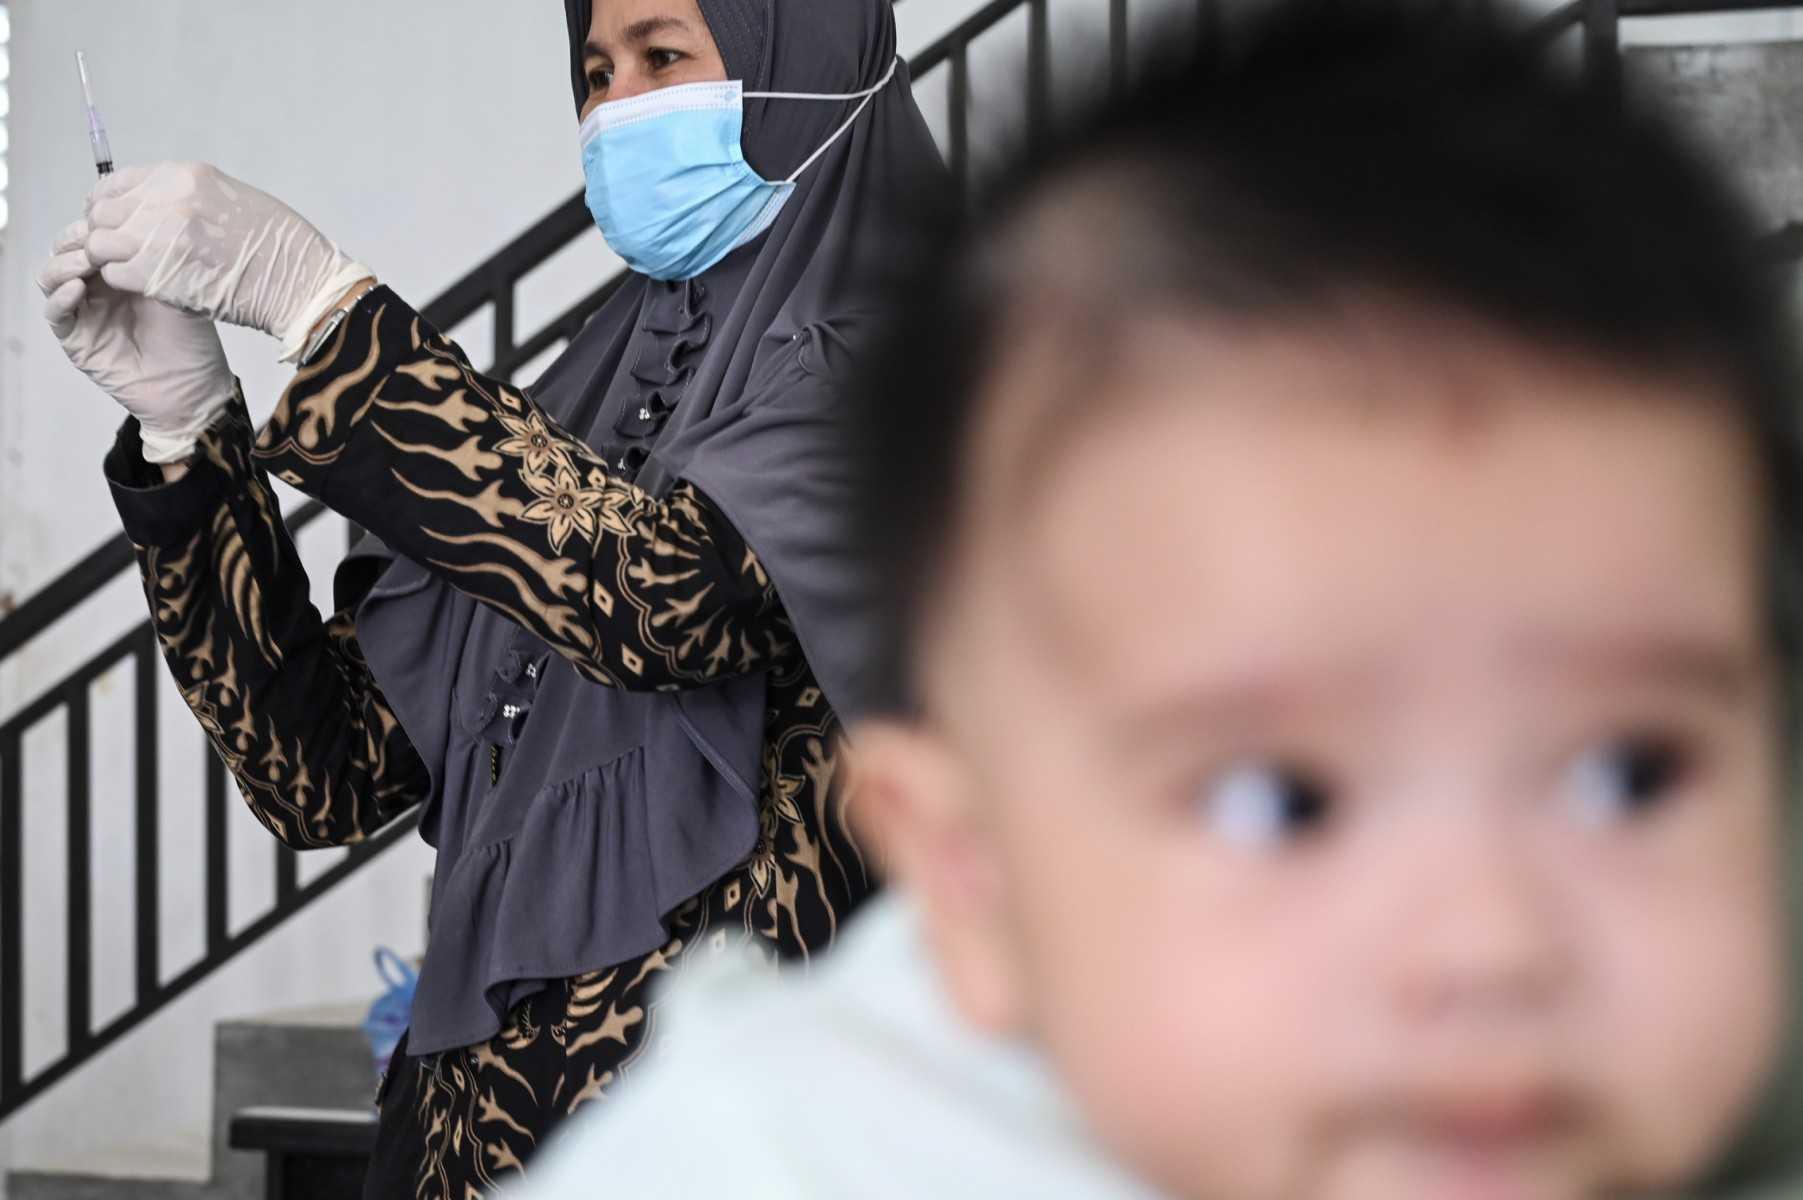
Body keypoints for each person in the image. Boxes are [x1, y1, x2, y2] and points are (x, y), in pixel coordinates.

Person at [516, 3, 1803, 1198]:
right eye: (1279, 800)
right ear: (972, 881)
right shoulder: (780, 1150)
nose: (1487, 944)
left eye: (1632, 772)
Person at [34, 0, 943, 1193]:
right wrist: (187, 436)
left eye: (664, 55)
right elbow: (329, 771)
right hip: (474, 1139)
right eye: (595, 72)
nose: (616, 106)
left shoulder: (912, 360)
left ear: (805, 63)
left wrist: (319, 304)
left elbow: (666, 600)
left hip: (730, 1139)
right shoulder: (586, 393)